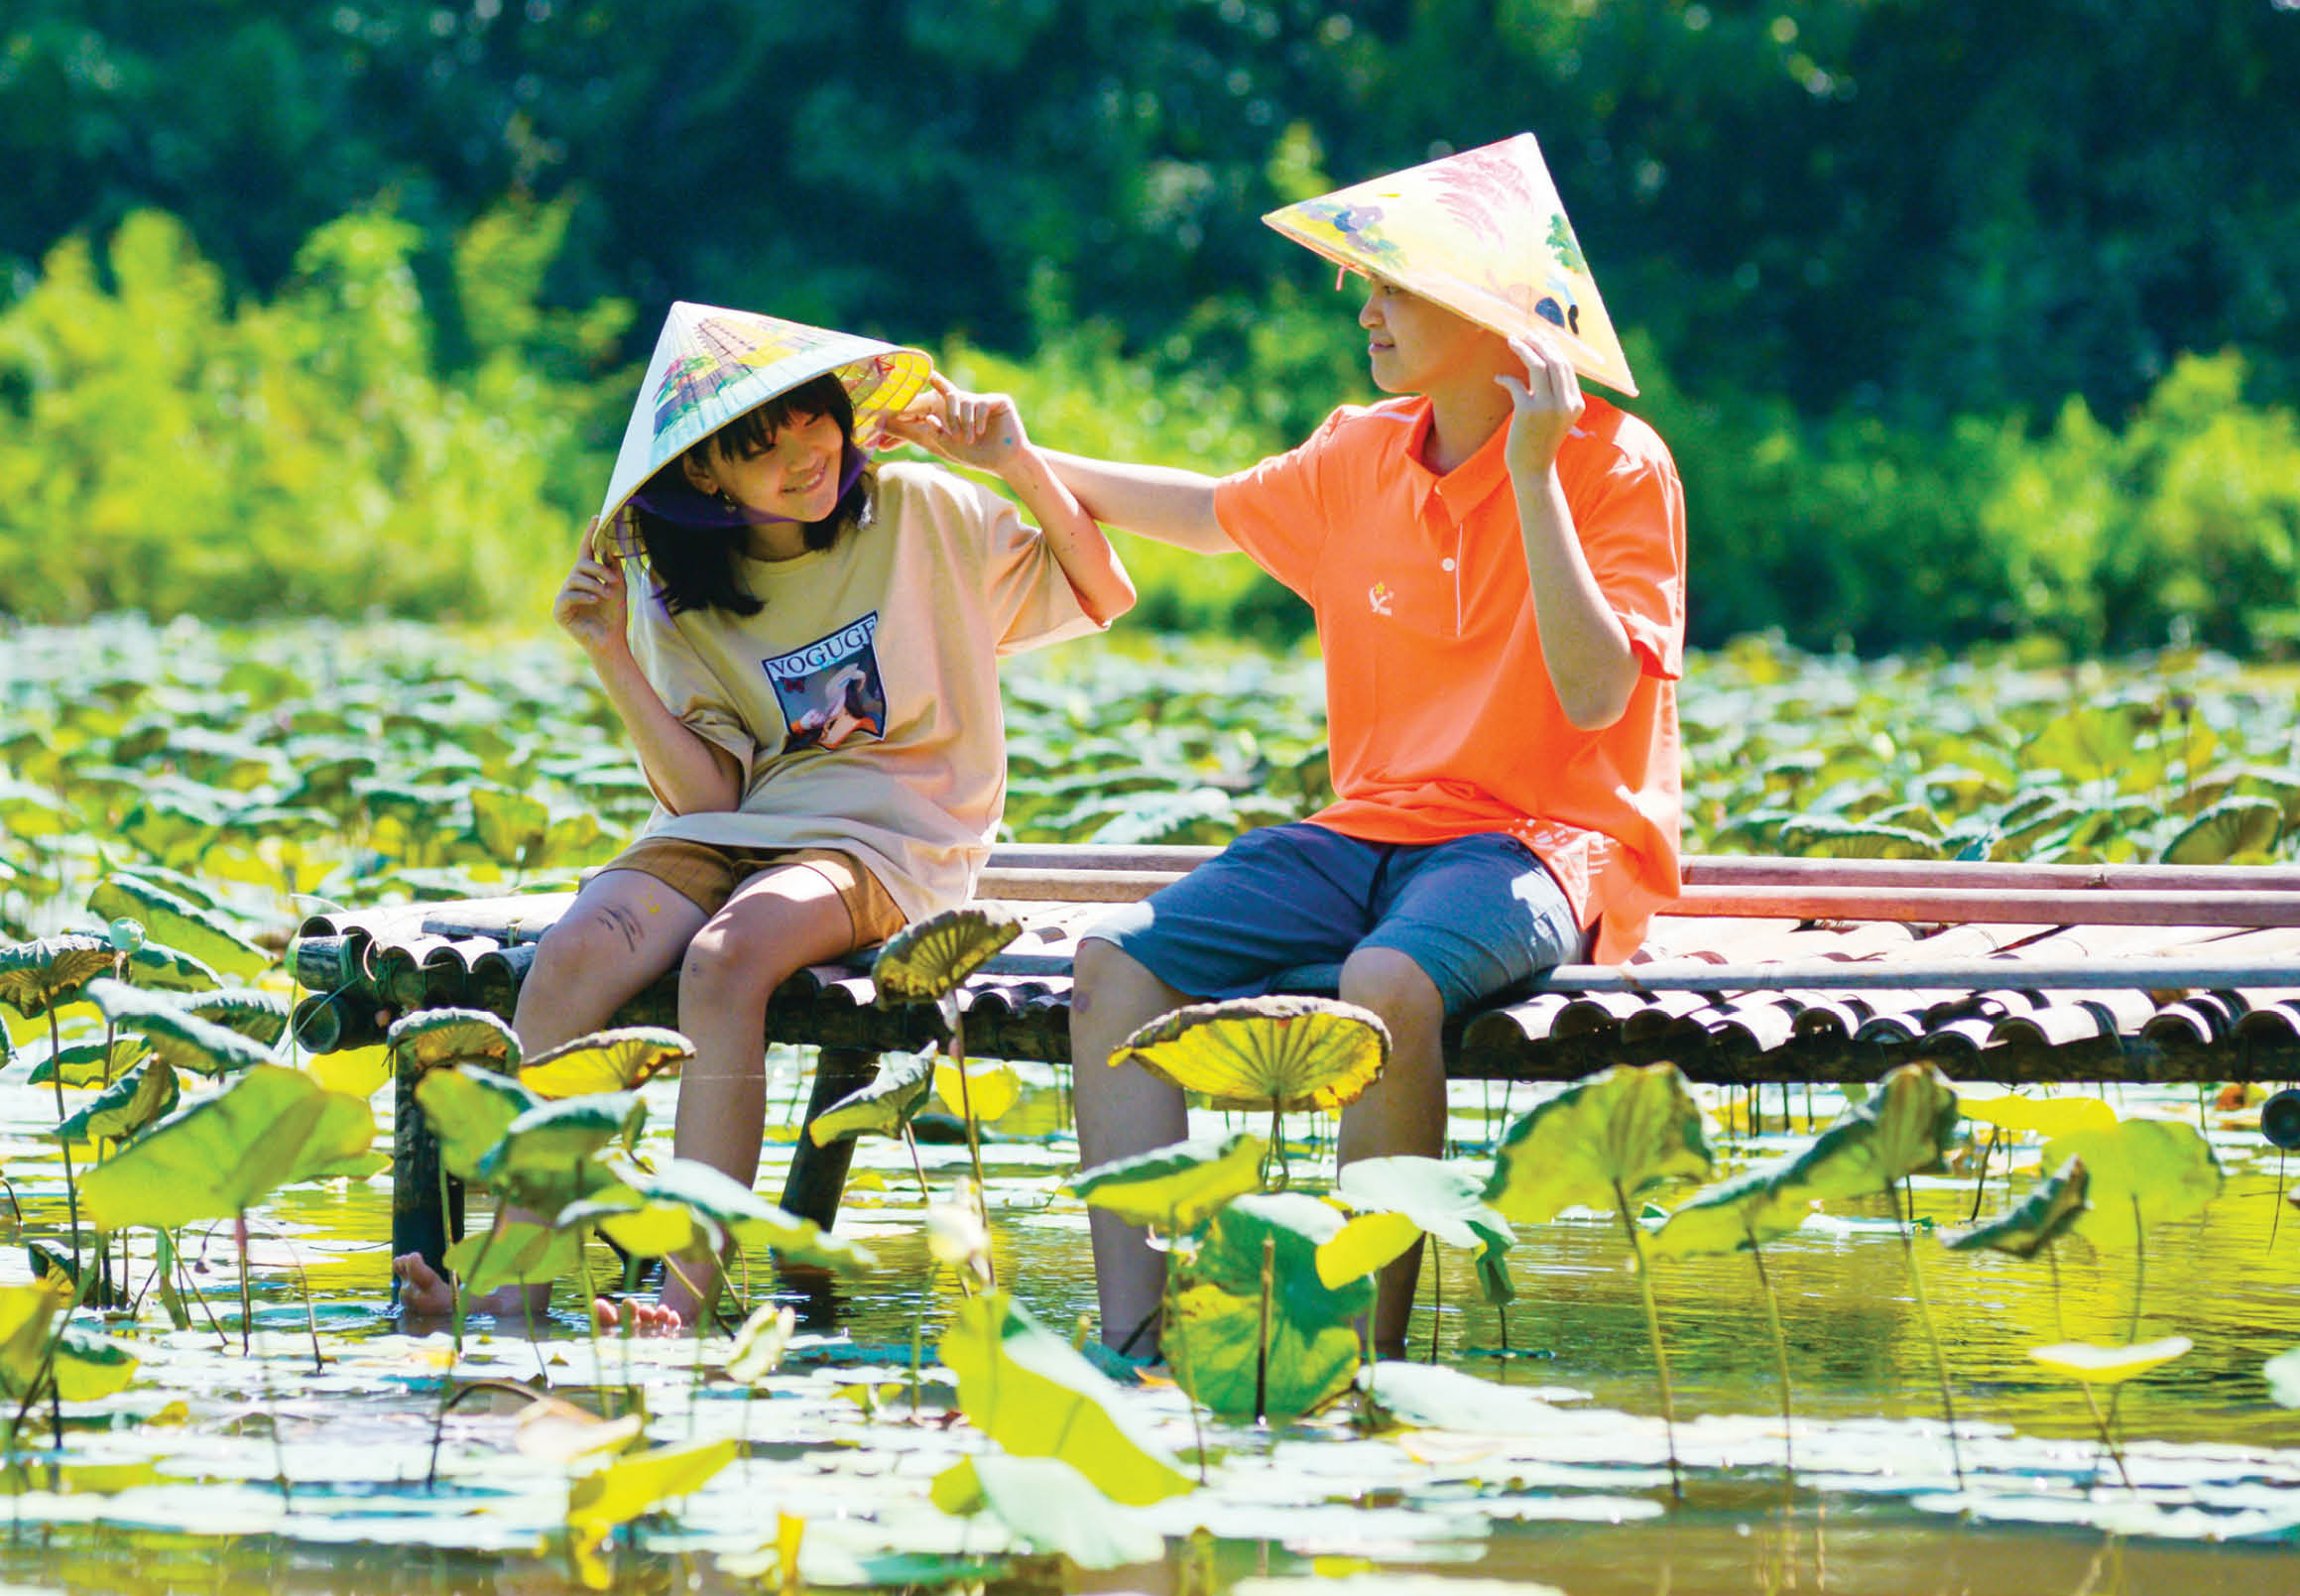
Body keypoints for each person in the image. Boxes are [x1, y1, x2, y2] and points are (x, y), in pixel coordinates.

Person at [1037, 134, 1688, 1361]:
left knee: (1385, 984)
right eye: (1369, 289)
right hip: (1365, 832)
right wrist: (1014, 458)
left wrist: (1535, 475)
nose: (1367, 314)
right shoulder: (1356, 450)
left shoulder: (1614, 465)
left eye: (1395, 290)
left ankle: (1360, 1358)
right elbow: (1203, 509)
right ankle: (1137, 1336)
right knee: (1113, 964)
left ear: (1494, 317)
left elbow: (1598, 694)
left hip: (1543, 844)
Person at [396, 303, 1134, 1332]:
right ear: (706, 473)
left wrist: (1011, 462)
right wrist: (610, 652)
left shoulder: (920, 511)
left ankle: (683, 1298)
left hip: (897, 831)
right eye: (763, 445)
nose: (805, 457)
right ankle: (510, 1286)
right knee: (568, 955)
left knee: (726, 956)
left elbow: (1104, 588)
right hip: (745, 826)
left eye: (814, 425)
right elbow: (708, 804)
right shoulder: (676, 592)